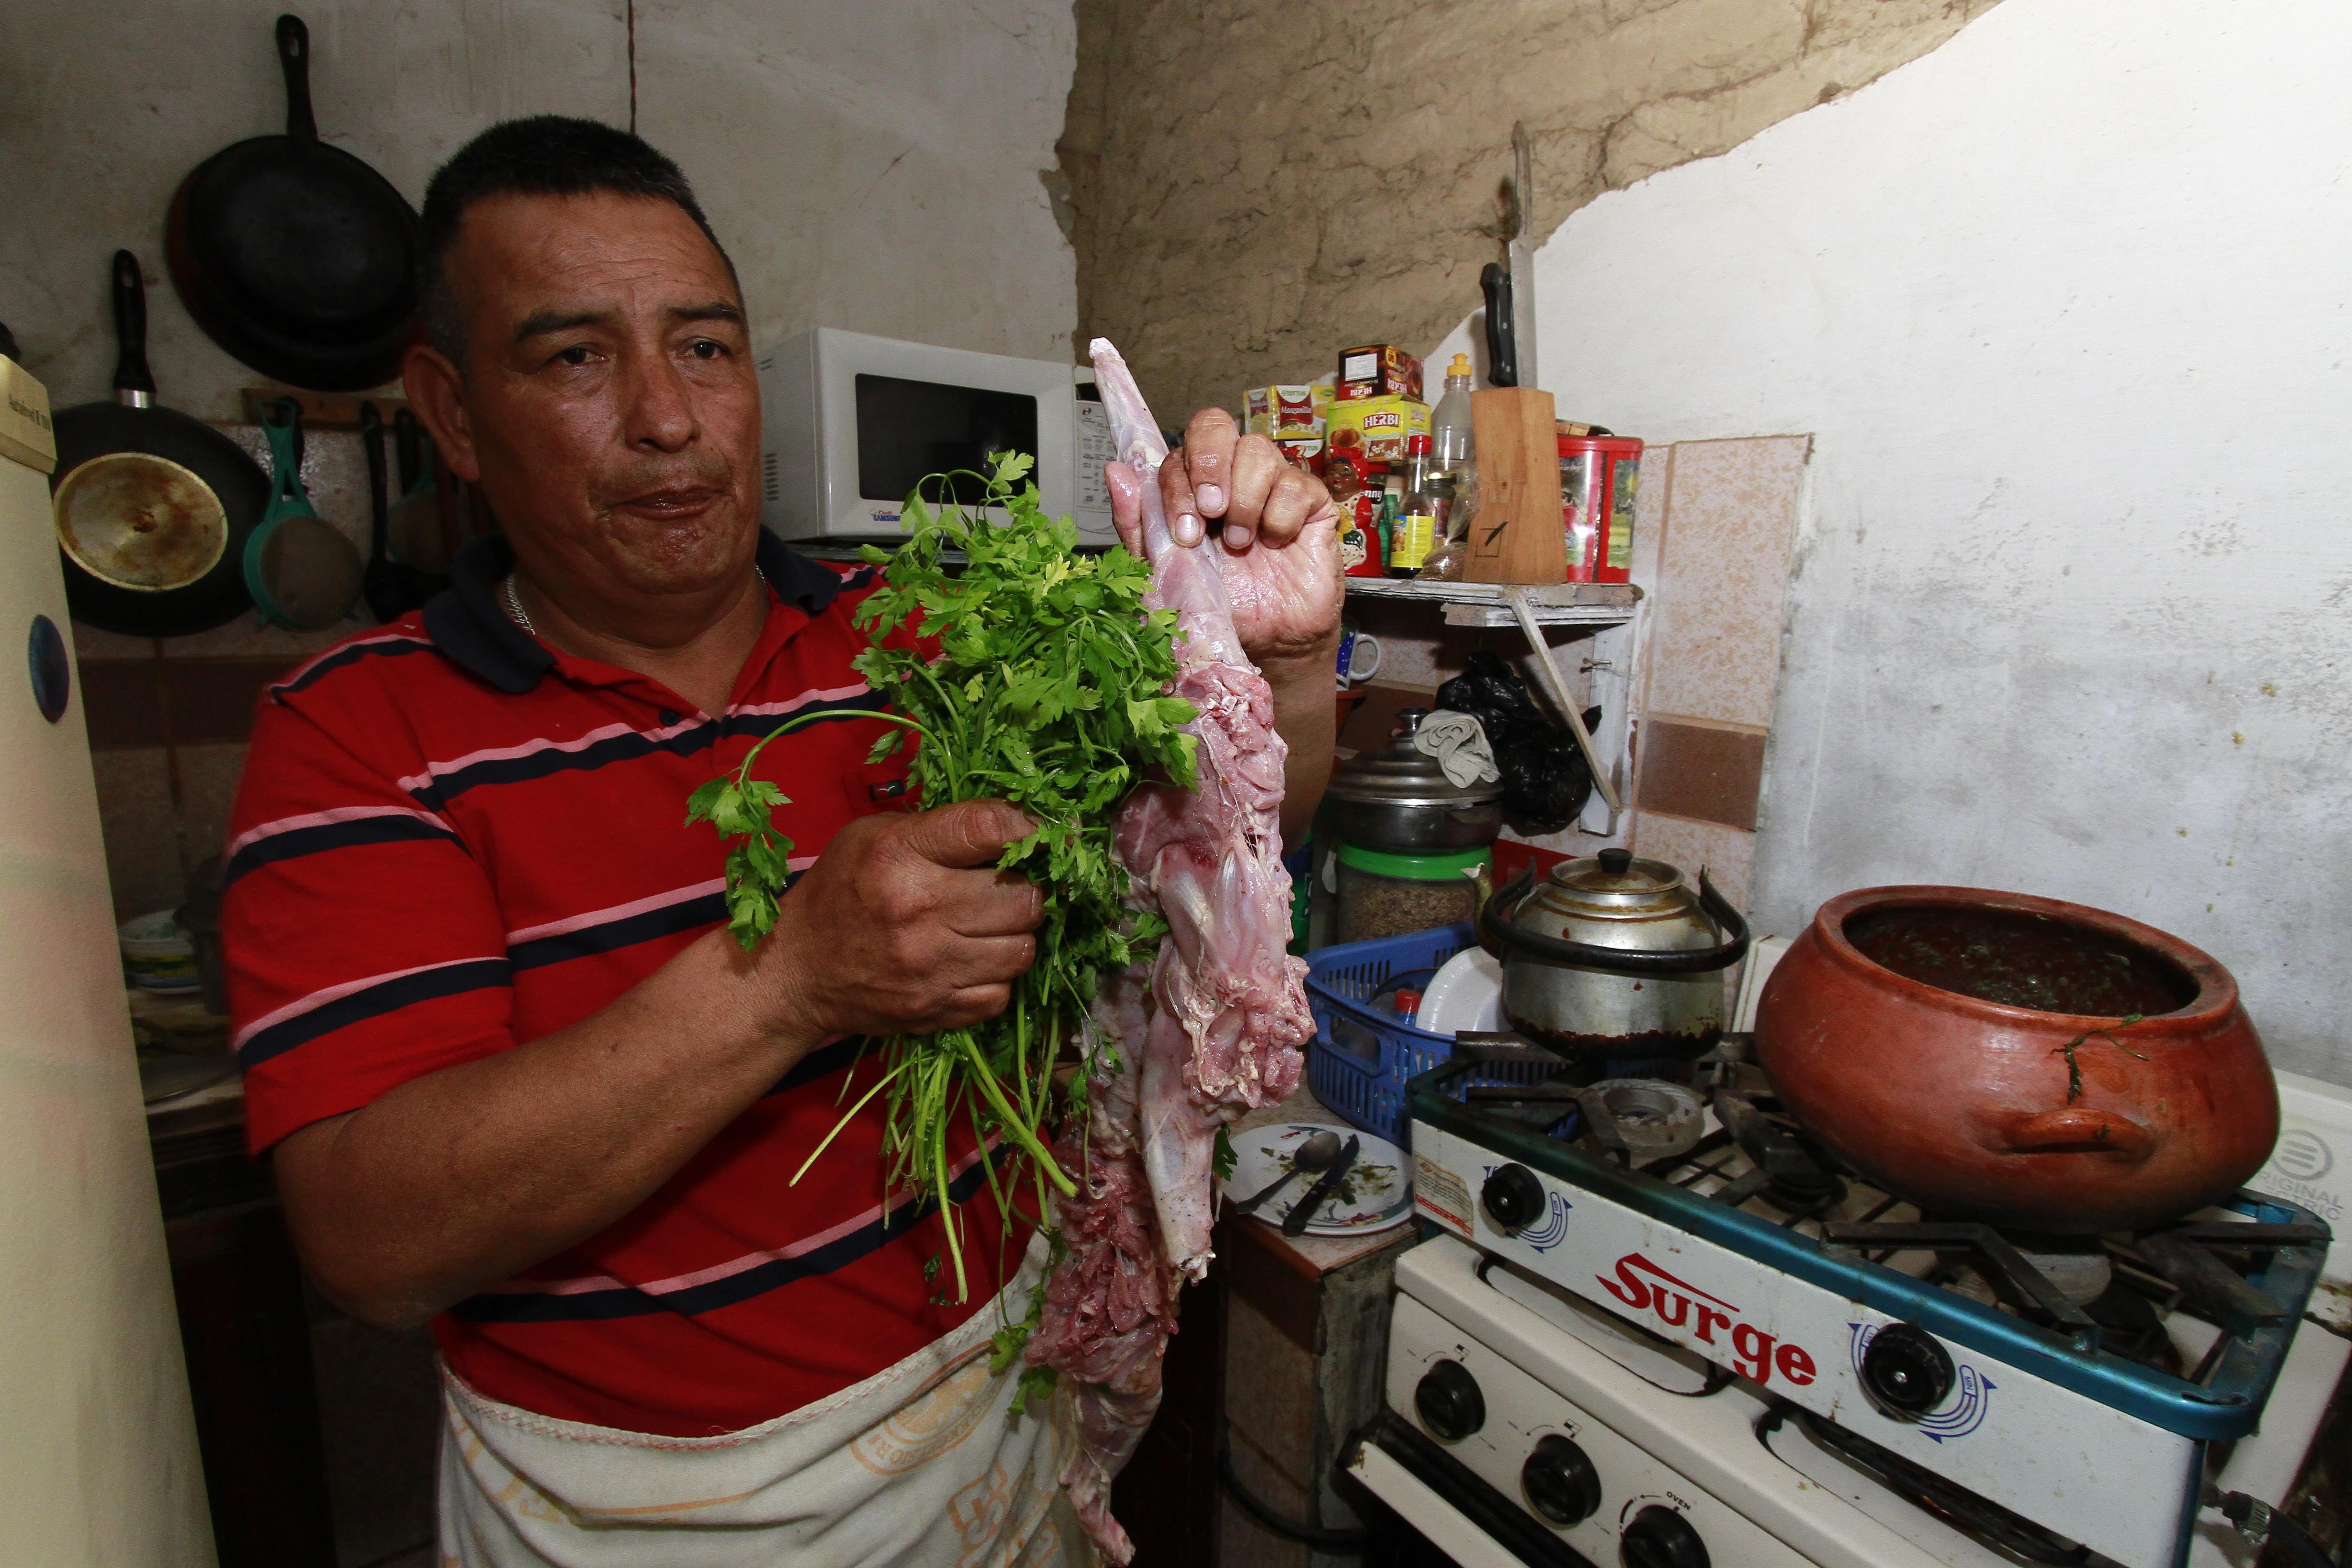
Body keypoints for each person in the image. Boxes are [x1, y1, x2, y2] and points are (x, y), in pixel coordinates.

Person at [221, 116, 1340, 1566]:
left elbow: (1231, 853)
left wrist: (1282, 667)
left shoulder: (934, 642)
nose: (667, 418)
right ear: (447, 410)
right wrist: (788, 982)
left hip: (991, 1423)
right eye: (574, 358)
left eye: (705, 348)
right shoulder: (357, 732)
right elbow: (370, 1240)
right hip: (643, 1511)